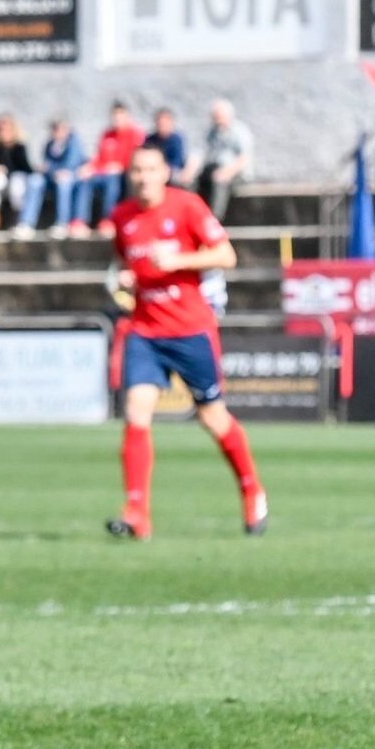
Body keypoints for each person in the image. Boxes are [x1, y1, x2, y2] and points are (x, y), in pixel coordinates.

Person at [106, 144, 267, 542]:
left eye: (150, 169)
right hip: (145, 330)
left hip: (189, 329)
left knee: (213, 417)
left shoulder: (188, 206)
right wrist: (129, 279)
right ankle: (137, 511)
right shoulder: (123, 217)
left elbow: (226, 255)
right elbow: (129, 264)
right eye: (136, 170)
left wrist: (179, 260)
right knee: (136, 410)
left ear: (164, 172)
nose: (143, 177)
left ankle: (251, 489)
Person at [78, 102, 144, 233]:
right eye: (115, 117)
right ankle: (80, 221)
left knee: (112, 180)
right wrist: (89, 167)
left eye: (120, 116)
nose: (117, 120)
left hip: (122, 174)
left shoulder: (135, 134)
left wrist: (121, 166)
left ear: (127, 117)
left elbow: (136, 158)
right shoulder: (107, 134)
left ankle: (108, 220)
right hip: (103, 173)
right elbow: (99, 157)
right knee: (85, 179)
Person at [19, 117, 86, 238]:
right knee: (34, 181)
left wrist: (51, 169)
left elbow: (69, 166)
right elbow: (46, 165)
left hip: (71, 179)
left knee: (63, 182)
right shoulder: (50, 144)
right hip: (52, 178)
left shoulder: (74, 142)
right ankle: (26, 223)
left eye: (59, 128)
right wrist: (50, 170)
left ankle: (62, 223)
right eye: (54, 129)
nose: (56, 132)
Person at [189, 99, 253, 219]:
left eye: (220, 116)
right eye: (215, 116)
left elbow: (244, 157)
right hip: (214, 168)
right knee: (192, 182)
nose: (217, 119)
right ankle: (193, 215)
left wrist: (227, 172)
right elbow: (199, 152)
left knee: (219, 181)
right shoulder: (211, 132)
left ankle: (215, 219)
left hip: (235, 172)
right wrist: (190, 171)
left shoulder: (239, 131)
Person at [0, 113, 35, 234]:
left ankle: (17, 217)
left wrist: (5, 169)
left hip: (17, 181)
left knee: (17, 183)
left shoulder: (19, 147)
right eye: (0, 129)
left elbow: (26, 168)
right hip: (2, 183)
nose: (3, 132)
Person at [142, 108, 186, 178]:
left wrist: (164, 169)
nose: (162, 126)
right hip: (152, 169)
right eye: (160, 124)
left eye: (164, 124)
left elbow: (177, 162)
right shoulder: (150, 139)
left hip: (171, 171)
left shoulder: (176, 140)